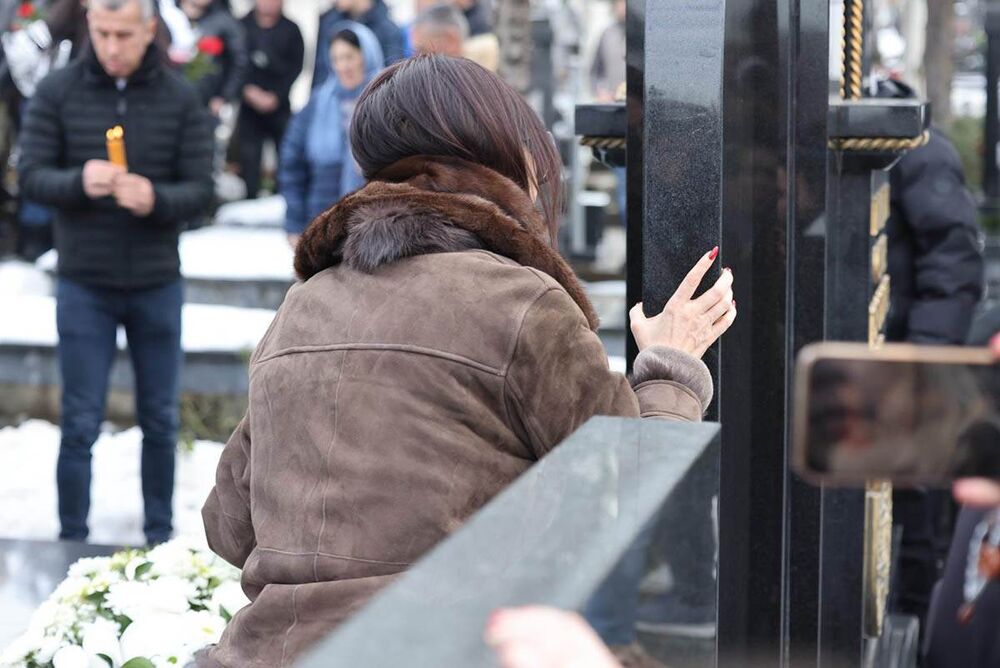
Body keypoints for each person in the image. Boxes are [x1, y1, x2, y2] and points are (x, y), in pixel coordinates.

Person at [199, 55, 737, 667]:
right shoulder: (519, 302)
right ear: (506, 155)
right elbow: (634, 503)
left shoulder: (301, 307)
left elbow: (229, 526)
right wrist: (670, 366)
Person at [18, 0, 214, 545]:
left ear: (149, 30)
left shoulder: (180, 97)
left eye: (123, 35)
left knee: (161, 419)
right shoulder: (58, 91)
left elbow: (202, 190)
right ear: (89, 25)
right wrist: (79, 181)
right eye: (102, 33)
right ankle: (71, 540)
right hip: (84, 281)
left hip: (156, 280)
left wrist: (157, 199)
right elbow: (30, 176)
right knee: (79, 422)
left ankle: (159, 536)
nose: (111, 47)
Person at [874, 77, 986, 634]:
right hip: (887, 359)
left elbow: (952, 271)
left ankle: (918, 624)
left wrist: (920, 370)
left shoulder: (919, 151)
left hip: (912, 366)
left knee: (916, 506)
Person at [279, 23, 381, 246]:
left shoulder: (385, 100)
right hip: (321, 217)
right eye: (336, 59)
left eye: (349, 57)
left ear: (367, 55)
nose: (343, 66)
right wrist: (294, 222)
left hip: (373, 219)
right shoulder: (319, 102)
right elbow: (292, 164)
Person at [234, 0, 303, 199]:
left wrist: (276, 96)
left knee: (286, 156)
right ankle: (250, 200)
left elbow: (296, 66)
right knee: (249, 159)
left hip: (279, 105)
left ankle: (282, 199)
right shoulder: (241, 26)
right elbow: (233, 63)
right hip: (248, 106)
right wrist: (246, 90)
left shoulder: (291, 29)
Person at [176, 0, 248, 116]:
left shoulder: (224, 21)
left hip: (205, 101)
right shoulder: (171, 11)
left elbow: (239, 62)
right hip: (171, 94)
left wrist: (224, 96)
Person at [312, 0, 404, 88]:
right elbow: (321, 75)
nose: (342, 66)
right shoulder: (329, 23)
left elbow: (392, 79)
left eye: (349, 57)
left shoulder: (388, 31)